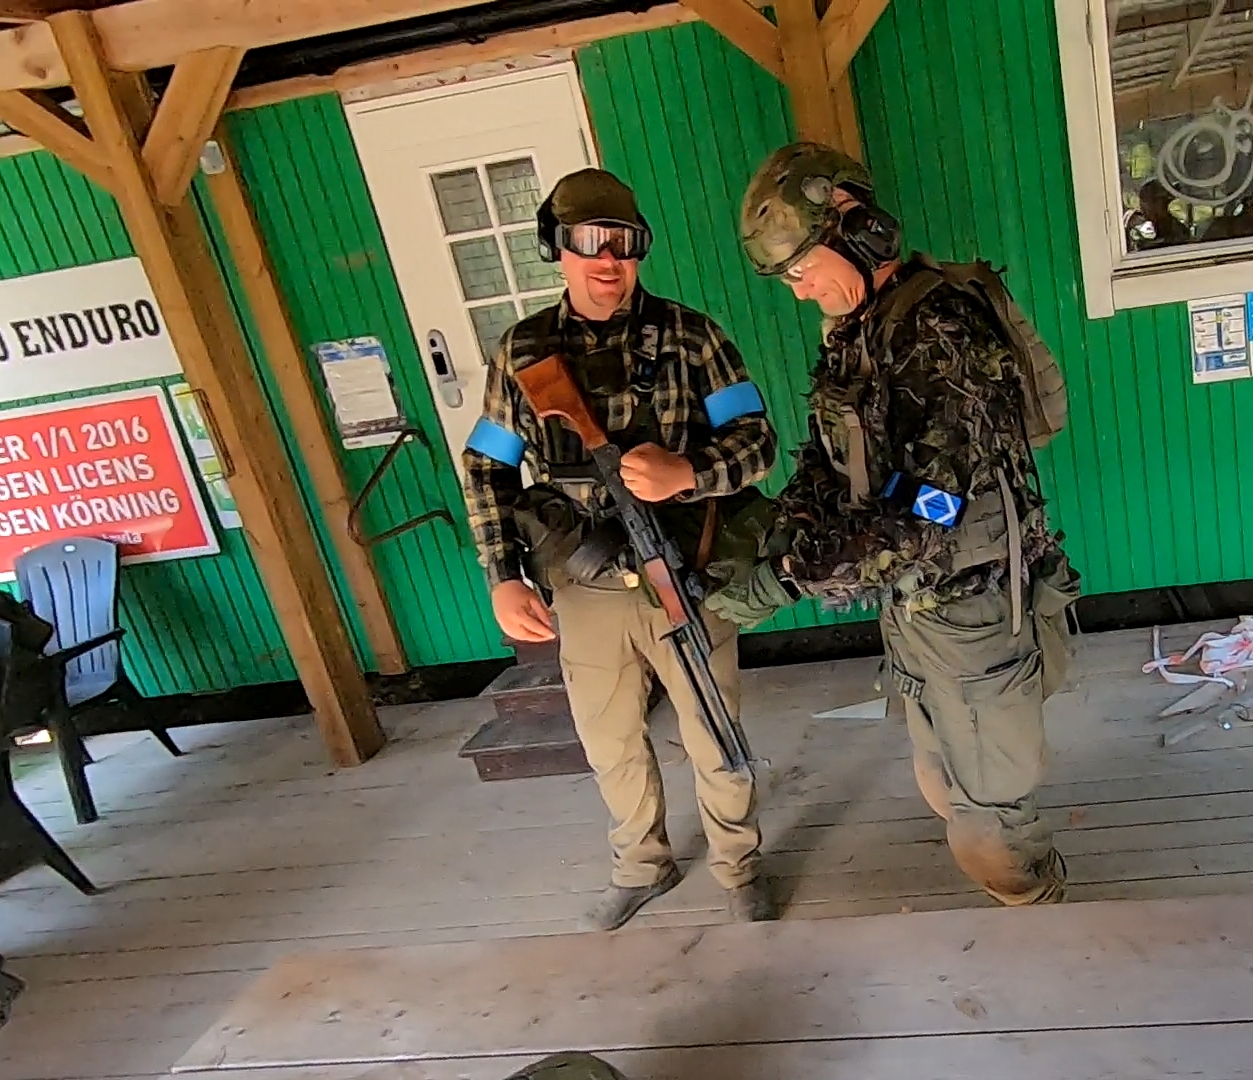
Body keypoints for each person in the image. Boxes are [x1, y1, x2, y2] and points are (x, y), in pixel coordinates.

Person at [710, 142, 1082, 906]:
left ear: (856, 227)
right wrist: (789, 529)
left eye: (801, 268)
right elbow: (832, 459)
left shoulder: (941, 330)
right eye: (786, 278)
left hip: (970, 609)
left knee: (992, 827)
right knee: (942, 782)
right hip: (911, 607)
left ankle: (1048, 930)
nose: (800, 290)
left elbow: (933, 509)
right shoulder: (857, 332)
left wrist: (793, 578)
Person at [461, 168, 780, 930]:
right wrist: (502, 575)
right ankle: (642, 865)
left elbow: (758, 442)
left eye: (626, 244)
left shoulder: (693, 337)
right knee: (608, 740)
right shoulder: (523, 351)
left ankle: (737, 867)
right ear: (558, 247)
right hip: (586, 585)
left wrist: (688, 472)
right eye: (591, 242)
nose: (609, 260)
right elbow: (486, 466)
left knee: (714, 731)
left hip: (685, 573)